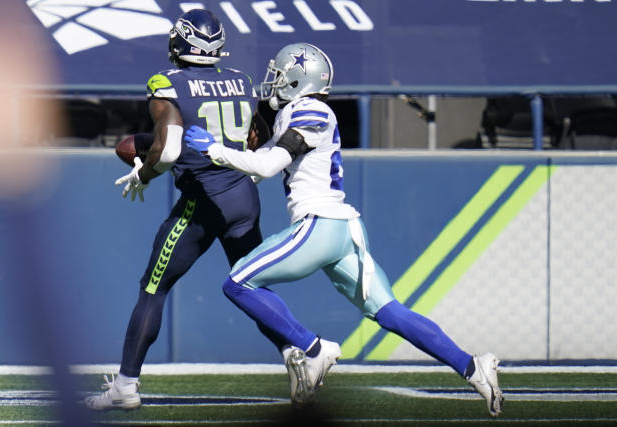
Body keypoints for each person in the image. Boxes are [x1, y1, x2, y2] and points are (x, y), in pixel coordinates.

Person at [184, 42, 504, 417]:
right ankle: (472, 366)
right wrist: (218, 154)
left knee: (237, 283)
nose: (274, 83)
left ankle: (314, 348)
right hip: (343, 230)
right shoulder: (297, 112)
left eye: (281, 76)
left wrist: (215, 151)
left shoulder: (310, 110)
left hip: (321, 225)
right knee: (390, 312)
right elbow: (257, 166)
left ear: (298, 80)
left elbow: (269, 166)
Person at [84, 9, 280, 410]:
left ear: (179, 42)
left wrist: (145, 173)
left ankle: (125, 387)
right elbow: (257, 136)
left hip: (202, 201)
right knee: (254, 286)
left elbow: (170, 149)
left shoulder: (168, 83)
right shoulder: (241, 81)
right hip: (243, 195)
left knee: (153, 288)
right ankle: (302, 352)